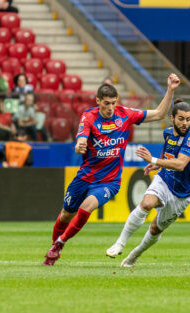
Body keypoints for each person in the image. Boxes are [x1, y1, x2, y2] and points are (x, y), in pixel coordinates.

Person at [42, 73, 181, 266]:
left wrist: (170, 90)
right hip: (85, 177)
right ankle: (55, 246)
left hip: (109, 181)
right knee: (66, 214)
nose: (110, 108)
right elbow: (81, 139)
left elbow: (158, 114)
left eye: (113, 103)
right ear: (98, 101)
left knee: (87, 207)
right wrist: (79, 145)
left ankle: (60, 243)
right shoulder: (88, 116)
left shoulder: (125, 114)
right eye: (106, 103)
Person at [105, 98, 190, 269]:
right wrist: (157, 164)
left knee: (156, 228)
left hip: (181, 195)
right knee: (146, 203)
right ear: (172, 118)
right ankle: (119, 243)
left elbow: (180, 164)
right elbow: (169, 155)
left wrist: (153, 159)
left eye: (188, 119)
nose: (185, 123)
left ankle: (135, 254)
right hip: (164, 180)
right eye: (181, 118)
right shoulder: (168, 133)